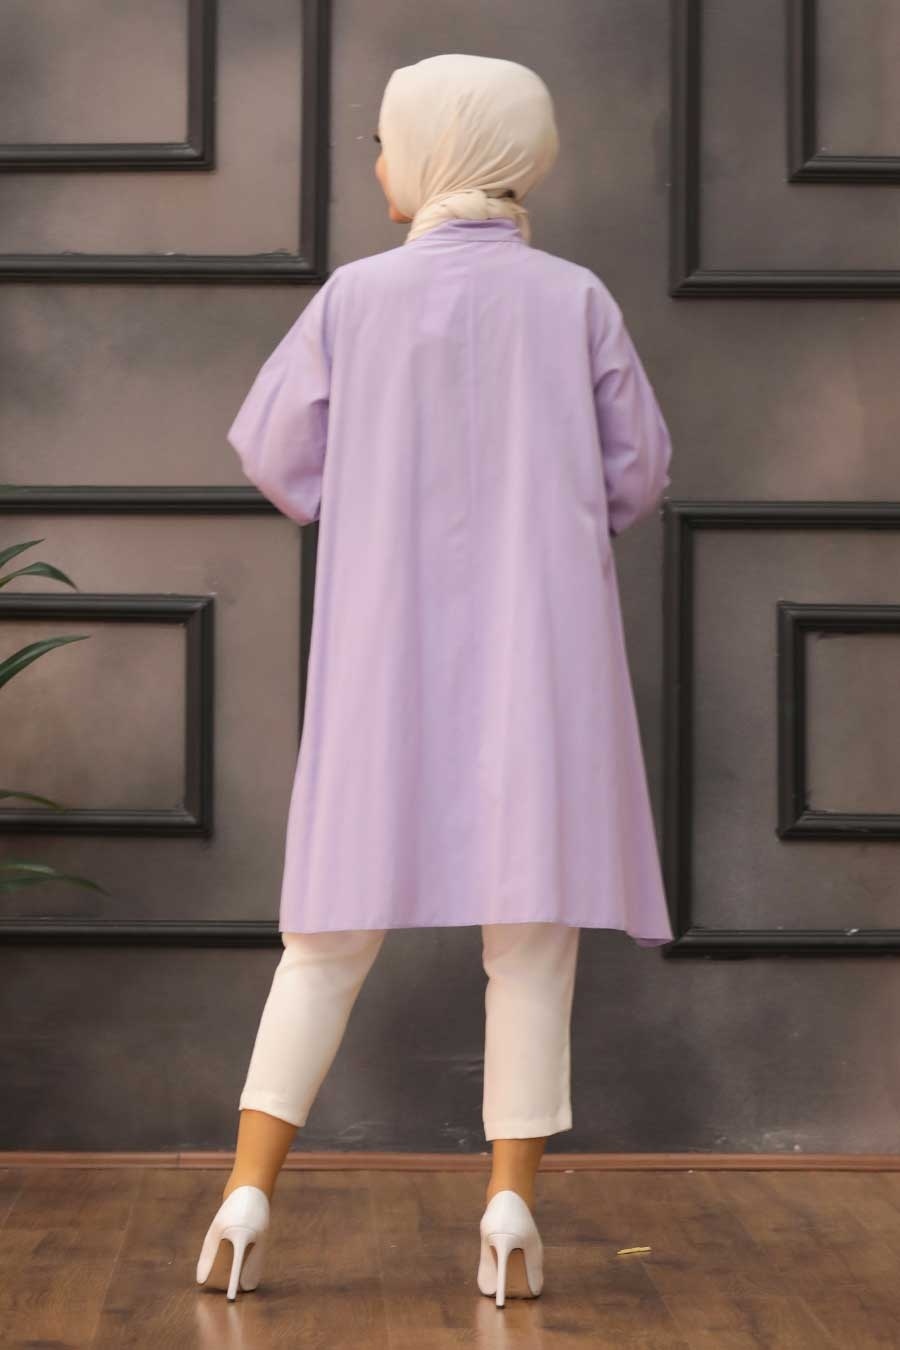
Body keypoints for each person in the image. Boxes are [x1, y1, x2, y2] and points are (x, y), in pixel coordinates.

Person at [196, 52, 673, 1307]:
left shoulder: (354, 299)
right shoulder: (576, 301)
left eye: (384, 142)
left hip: (383, 652)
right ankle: (509, 1208)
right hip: (541, 657)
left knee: (323, 940)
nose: (376, 165)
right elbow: (636, 476)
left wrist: (371, 493)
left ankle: (246, 1194)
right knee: (532, 942)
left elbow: (276, 456)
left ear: (428, 150)